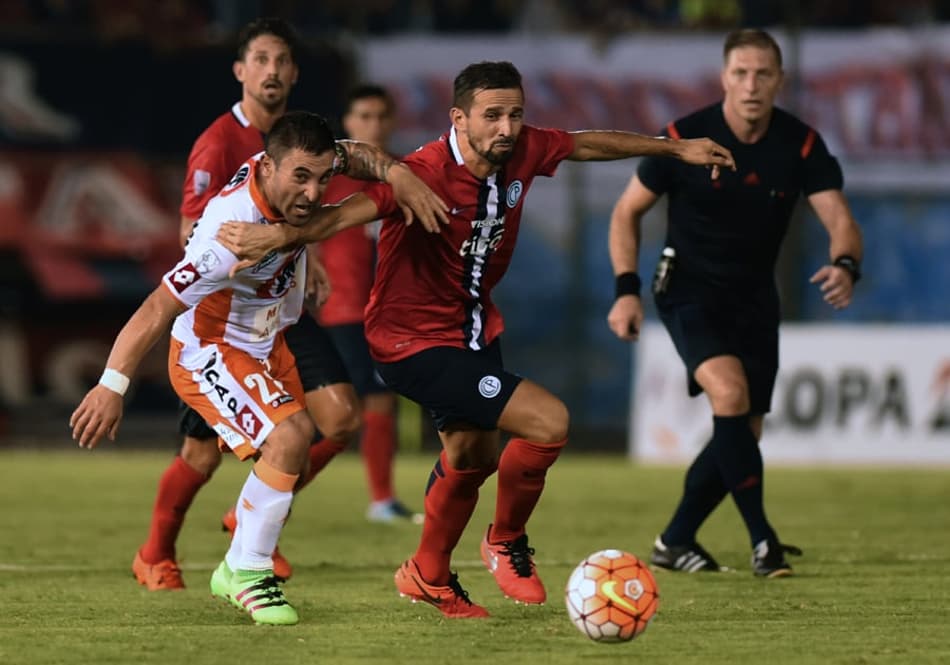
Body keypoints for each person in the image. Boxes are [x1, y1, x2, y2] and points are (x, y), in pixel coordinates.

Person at [214, 60, 735, 618]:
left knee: (471, 454)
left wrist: (674, 149)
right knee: (548, 421)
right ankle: (505, 540)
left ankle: (427, 574)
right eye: (492, 116)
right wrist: (279, 234)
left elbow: (586, 144)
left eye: (515, 114)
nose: (507, 128)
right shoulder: (424, 172)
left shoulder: (526, 149)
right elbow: (341, 214)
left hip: (474, 330)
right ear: (459, 119)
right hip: (409, 341)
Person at [70, 111, 448, 625]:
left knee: (316, 431)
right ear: (267, 168)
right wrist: (111, 385)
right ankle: (242, 569)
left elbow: (354, 154)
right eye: (301, 178)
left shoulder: (302, 165)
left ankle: (242, 554)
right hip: (211, 348)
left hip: (271, 336)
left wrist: (396, 172)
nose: (314, 192)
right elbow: (157, 306)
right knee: (285, 438)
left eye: (321, 179)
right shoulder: (231, 233)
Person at [606, 29, 863, 577]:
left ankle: (674, 541)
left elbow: (839, 219)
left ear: (779, 81)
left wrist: (845, 265)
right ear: (724, 77)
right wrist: (625, 290)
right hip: (687, 288)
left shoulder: (801, 145)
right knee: (730, 392)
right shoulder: (684, 137)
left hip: (754, 296)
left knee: (743, 431)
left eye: (762, 74)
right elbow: (626, 212)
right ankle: (763, 540)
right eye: (740, 73)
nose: (751, 85)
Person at [130, 17, 361, 591]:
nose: (273, 71)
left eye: (282, 60)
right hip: (221, 318)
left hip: (280, 311)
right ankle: (156, 552)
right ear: (240, 71)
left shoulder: (301, 141)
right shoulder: (218, 142)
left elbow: (301, 216)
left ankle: (252, 522)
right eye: (261, 59)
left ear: (295, 73)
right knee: (201, 455)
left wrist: (309, 261)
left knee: (340, 417)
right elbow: (195, 230)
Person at [317, 84, 421, 524]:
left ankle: (382, 499)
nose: (373, 124)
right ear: (348, 123)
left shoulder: (405, 172)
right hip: (342, 308)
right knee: (345, 415)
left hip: (389, 311)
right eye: (364, 116)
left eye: (381, 116)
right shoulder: (327, 175)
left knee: (375, 404)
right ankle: (273, 488)